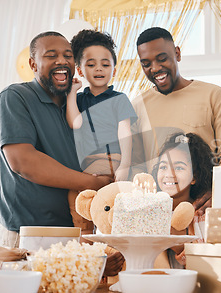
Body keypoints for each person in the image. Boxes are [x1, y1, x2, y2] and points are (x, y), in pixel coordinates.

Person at [0, 31, 124, 276]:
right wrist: (92, 183)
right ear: (33, 64)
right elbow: (24, 162)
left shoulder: (77, 105)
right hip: (28, 234)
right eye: (51, 55)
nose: (61, 61)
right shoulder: (15, 97)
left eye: (67, 56)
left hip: (76, 233)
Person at [132, 26, 221, 214]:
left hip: (203, 209)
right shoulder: (138, 106)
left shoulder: (213, 95)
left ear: (177, 54)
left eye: (162, 59)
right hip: (156, 211)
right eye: (146, 64)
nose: (155, 68)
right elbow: (137, 166)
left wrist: (218, 192)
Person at [65, 29, 137, 236]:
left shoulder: (119, 99)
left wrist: (125, 164)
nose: (99, 69)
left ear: (114, 71)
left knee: (112, 212)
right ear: (80, 70)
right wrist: (72, 93)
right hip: (85, 167)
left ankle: (114, 252)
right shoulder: (79, 100)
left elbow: (125, 132)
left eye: (105, 64)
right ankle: (86, 245)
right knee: (79, 203)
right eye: (91, 64)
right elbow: (75, 123)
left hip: (112, 163)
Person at [152, 132, 214, 268]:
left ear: (194, 177)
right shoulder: (149, 210)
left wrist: (179, 246)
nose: (169, 174)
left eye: (179, 168)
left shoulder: (203, 216)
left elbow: (210, 266)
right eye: (163, 167)